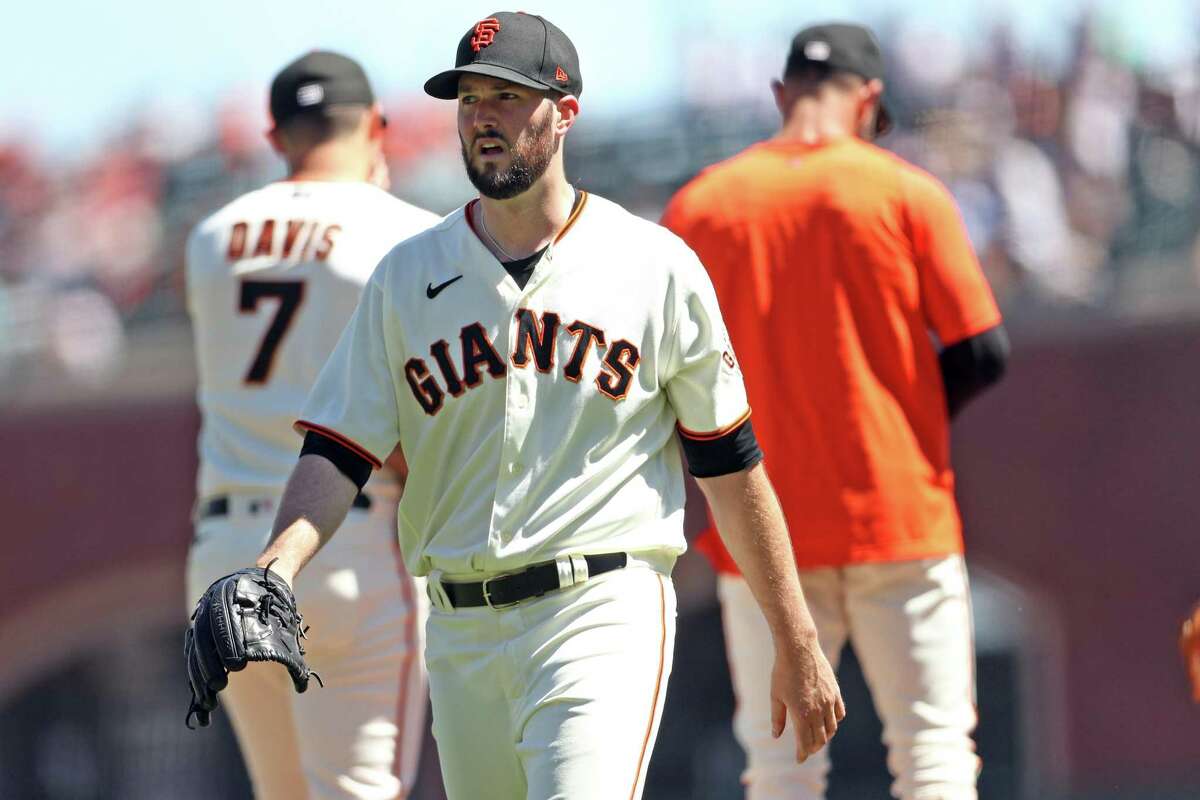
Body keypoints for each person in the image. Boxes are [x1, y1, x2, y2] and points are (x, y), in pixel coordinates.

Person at [233, 12, 845, 800]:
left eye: (506, 97)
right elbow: (339, 447)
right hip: (458, 627)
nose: (483, 117)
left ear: (565, 111)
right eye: (468, 100)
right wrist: (272, 569)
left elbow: (730, 467)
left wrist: (794, 636)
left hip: (601, 607)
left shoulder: (654, 265)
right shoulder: (405, 275)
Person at [662, 23, 1010, 800]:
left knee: (780, 768)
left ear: (781, 93)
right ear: (871, 99)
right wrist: (907, 418)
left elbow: (662, 379)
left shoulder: (701, 205)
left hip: (761, 528)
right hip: (900, 515)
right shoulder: (906, 190)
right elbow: (983, 349)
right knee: (934, 756)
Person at [185, 51, 440, 800]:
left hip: (225, 554)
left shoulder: (209, 237)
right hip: (345, 537)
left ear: (276, 136)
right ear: (377, 126)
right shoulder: (408, 232)